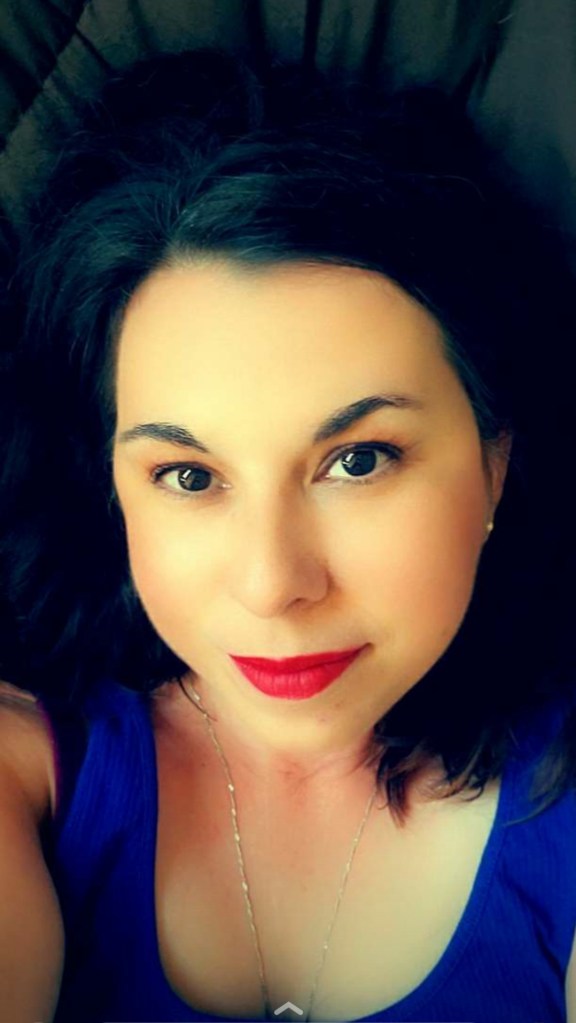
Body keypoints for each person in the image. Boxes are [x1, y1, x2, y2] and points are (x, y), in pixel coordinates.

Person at [0, 46, 575, 1023]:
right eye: (189, 477)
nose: (274, 583)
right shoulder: (30, 775)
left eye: (359, 460)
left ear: (496, 461)